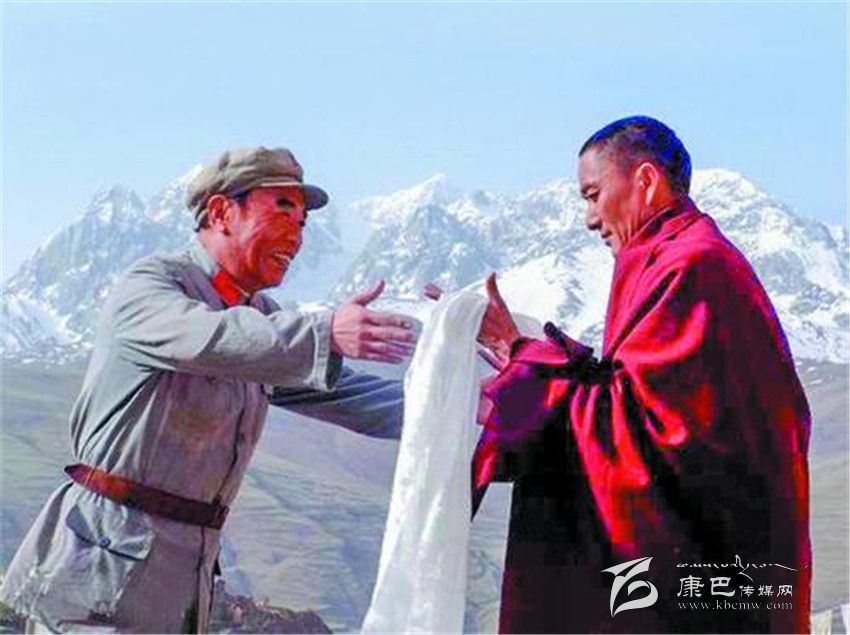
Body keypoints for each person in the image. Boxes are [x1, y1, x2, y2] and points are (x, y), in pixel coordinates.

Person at [0, 147, 417, 633]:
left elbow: (352, 394)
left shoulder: (262, 320)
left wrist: (468, 404)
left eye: (303, 222)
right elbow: (211, 339)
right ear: (221, 212)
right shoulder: (151, 286)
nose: (297, 235)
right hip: (97, 568)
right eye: (283, 210)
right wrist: (324, 331)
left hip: (183, 578)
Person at [472, 116, 811, 634]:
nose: (589, 219)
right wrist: (526, 362)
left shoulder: (693, 266)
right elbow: (635, 396)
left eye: (593, 195)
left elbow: (645, 429)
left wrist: (526, 366)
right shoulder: (666, 259)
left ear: (646, 181)